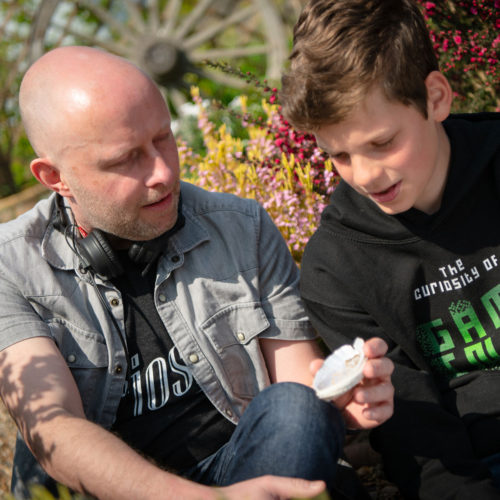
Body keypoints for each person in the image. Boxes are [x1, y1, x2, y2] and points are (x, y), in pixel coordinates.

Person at [0, 45, 394, 500]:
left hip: (245, 470)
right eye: (125, 159)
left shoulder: (242, 227)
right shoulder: (13, 266)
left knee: (297, 407)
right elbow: (54, 427)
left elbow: (295, 383)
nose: (163, 172)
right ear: (55, 177)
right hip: (115, 491)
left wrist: (341, 396)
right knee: (46, 453)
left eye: (163, 137)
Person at [279, 0, 500, 498]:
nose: (365, 175)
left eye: (382, 143)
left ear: (435, 97)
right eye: (339, 154)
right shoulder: (335, 267)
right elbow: (418, 442)